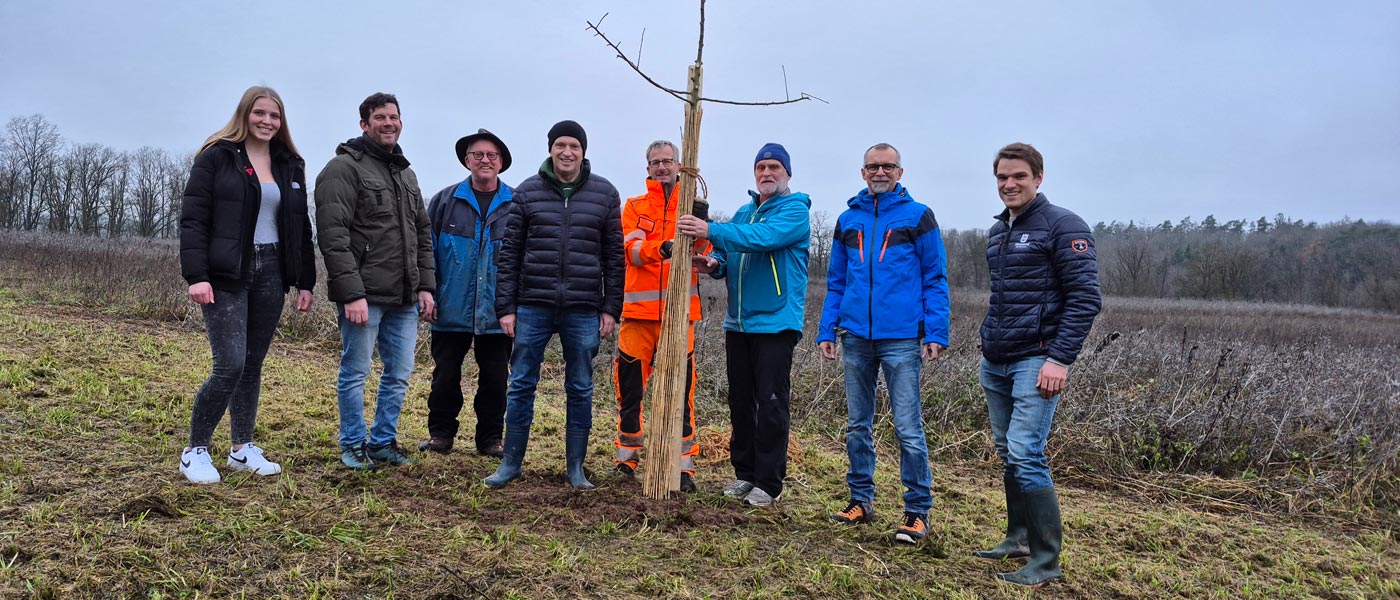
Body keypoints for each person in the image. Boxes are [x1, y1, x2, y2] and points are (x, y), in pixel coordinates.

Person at [975, 142, 1100, 587]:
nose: (1009, 184)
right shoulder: (998, 231)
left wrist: (1060, 359)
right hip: (997, 359)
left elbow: (1085, 299)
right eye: (1002, 178)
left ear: (1038, 178)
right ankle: (1019, 538)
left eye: (1019, 177)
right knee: (1009, 451)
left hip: (1039, 359)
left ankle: (1046, 562)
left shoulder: (1064, 226)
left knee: (1027, 452)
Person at [177, 85, 316, 484]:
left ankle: (241, 447)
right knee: (230, 365)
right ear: (245, 114)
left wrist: (305, 279)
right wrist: (197, 276)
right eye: (260, 113)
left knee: (252, 364)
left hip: (272, 270)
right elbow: (193, 220)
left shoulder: (290, 164)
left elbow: (300, 227)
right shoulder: (216, 157)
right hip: (226, 273)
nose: (267, 121)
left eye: (274, 116)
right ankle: (195, 450)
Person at [816, 143, 950, 543]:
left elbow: (935, 277)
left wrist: (936, 331)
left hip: (902, 338)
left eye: (887, 166)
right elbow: (836, 281)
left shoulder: (918, 217)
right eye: (873, 166)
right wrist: (827, 329)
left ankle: (917, 512)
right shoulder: (848, 219)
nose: (880, 172)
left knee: (908, 428)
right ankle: (860, 499)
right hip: (855, 336)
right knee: (858, 424)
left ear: (900, 172)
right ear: (862, 173)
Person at [484, 120, 624, 490]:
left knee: (580, 386)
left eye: (574, 146)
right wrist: (506, 308)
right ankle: (511, 462)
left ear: (583, 151)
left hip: (583, 308)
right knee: (521, 383)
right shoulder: (528, 192)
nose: (567, 152)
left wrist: (611, 308)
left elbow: (614, 256)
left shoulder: (605, 194)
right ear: (550, 149)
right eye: (560, 144)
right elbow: (510, 253)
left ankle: (575, 468)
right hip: (533, 304)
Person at [677, 142, 810, 507]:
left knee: (770, 403)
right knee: (740, 402)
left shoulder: (795, 211)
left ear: (787, 173)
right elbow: (728, 253)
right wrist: (714, 265)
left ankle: (769, 482)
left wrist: (710, 230)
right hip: (738, 324)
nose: (767, 173)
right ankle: (745, 474)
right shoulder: (744, 210)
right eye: (761, 167)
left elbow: (762, 240)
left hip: (775, 322)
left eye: (774, 167)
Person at [314, 92, 435, 470]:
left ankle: (383, 441)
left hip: (404, 298)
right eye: (380, 117)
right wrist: (351, 293)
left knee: (398, 374)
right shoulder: (343, 169)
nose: (389, 123)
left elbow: (422, 233)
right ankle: (353, 444)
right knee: (356, 372)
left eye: (394, 117)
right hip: (363, 296)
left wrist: (426, 286)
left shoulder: (406, 173)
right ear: (364, 124)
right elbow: (333, 235)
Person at [611, 140, 710, 493]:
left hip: (679, 317)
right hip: (637, 316)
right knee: (630, 390)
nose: (662, 167)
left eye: (668, 161)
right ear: (648, 168)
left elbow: (705, 251)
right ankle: (627, 458)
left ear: (680, 164)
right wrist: (663, 248)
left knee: (682, 393)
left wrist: (702, 231)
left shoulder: (691, 206)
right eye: (655, 162)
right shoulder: (635, 207)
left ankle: (683, 467)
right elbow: (631, 251)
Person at [419, 129, 515, 458]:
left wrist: (513, 306)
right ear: (466, 160)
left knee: (494, 379)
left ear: (501, 163)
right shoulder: (445, 201)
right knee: (445, 376)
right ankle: (440, 436)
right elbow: (427, 252)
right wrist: (427, 291)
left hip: (497, 313)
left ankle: (490, 440)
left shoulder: (516, 205)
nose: (485, 160)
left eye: (491, 155)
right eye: (478, 155)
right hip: (449, 308)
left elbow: (521, 260)